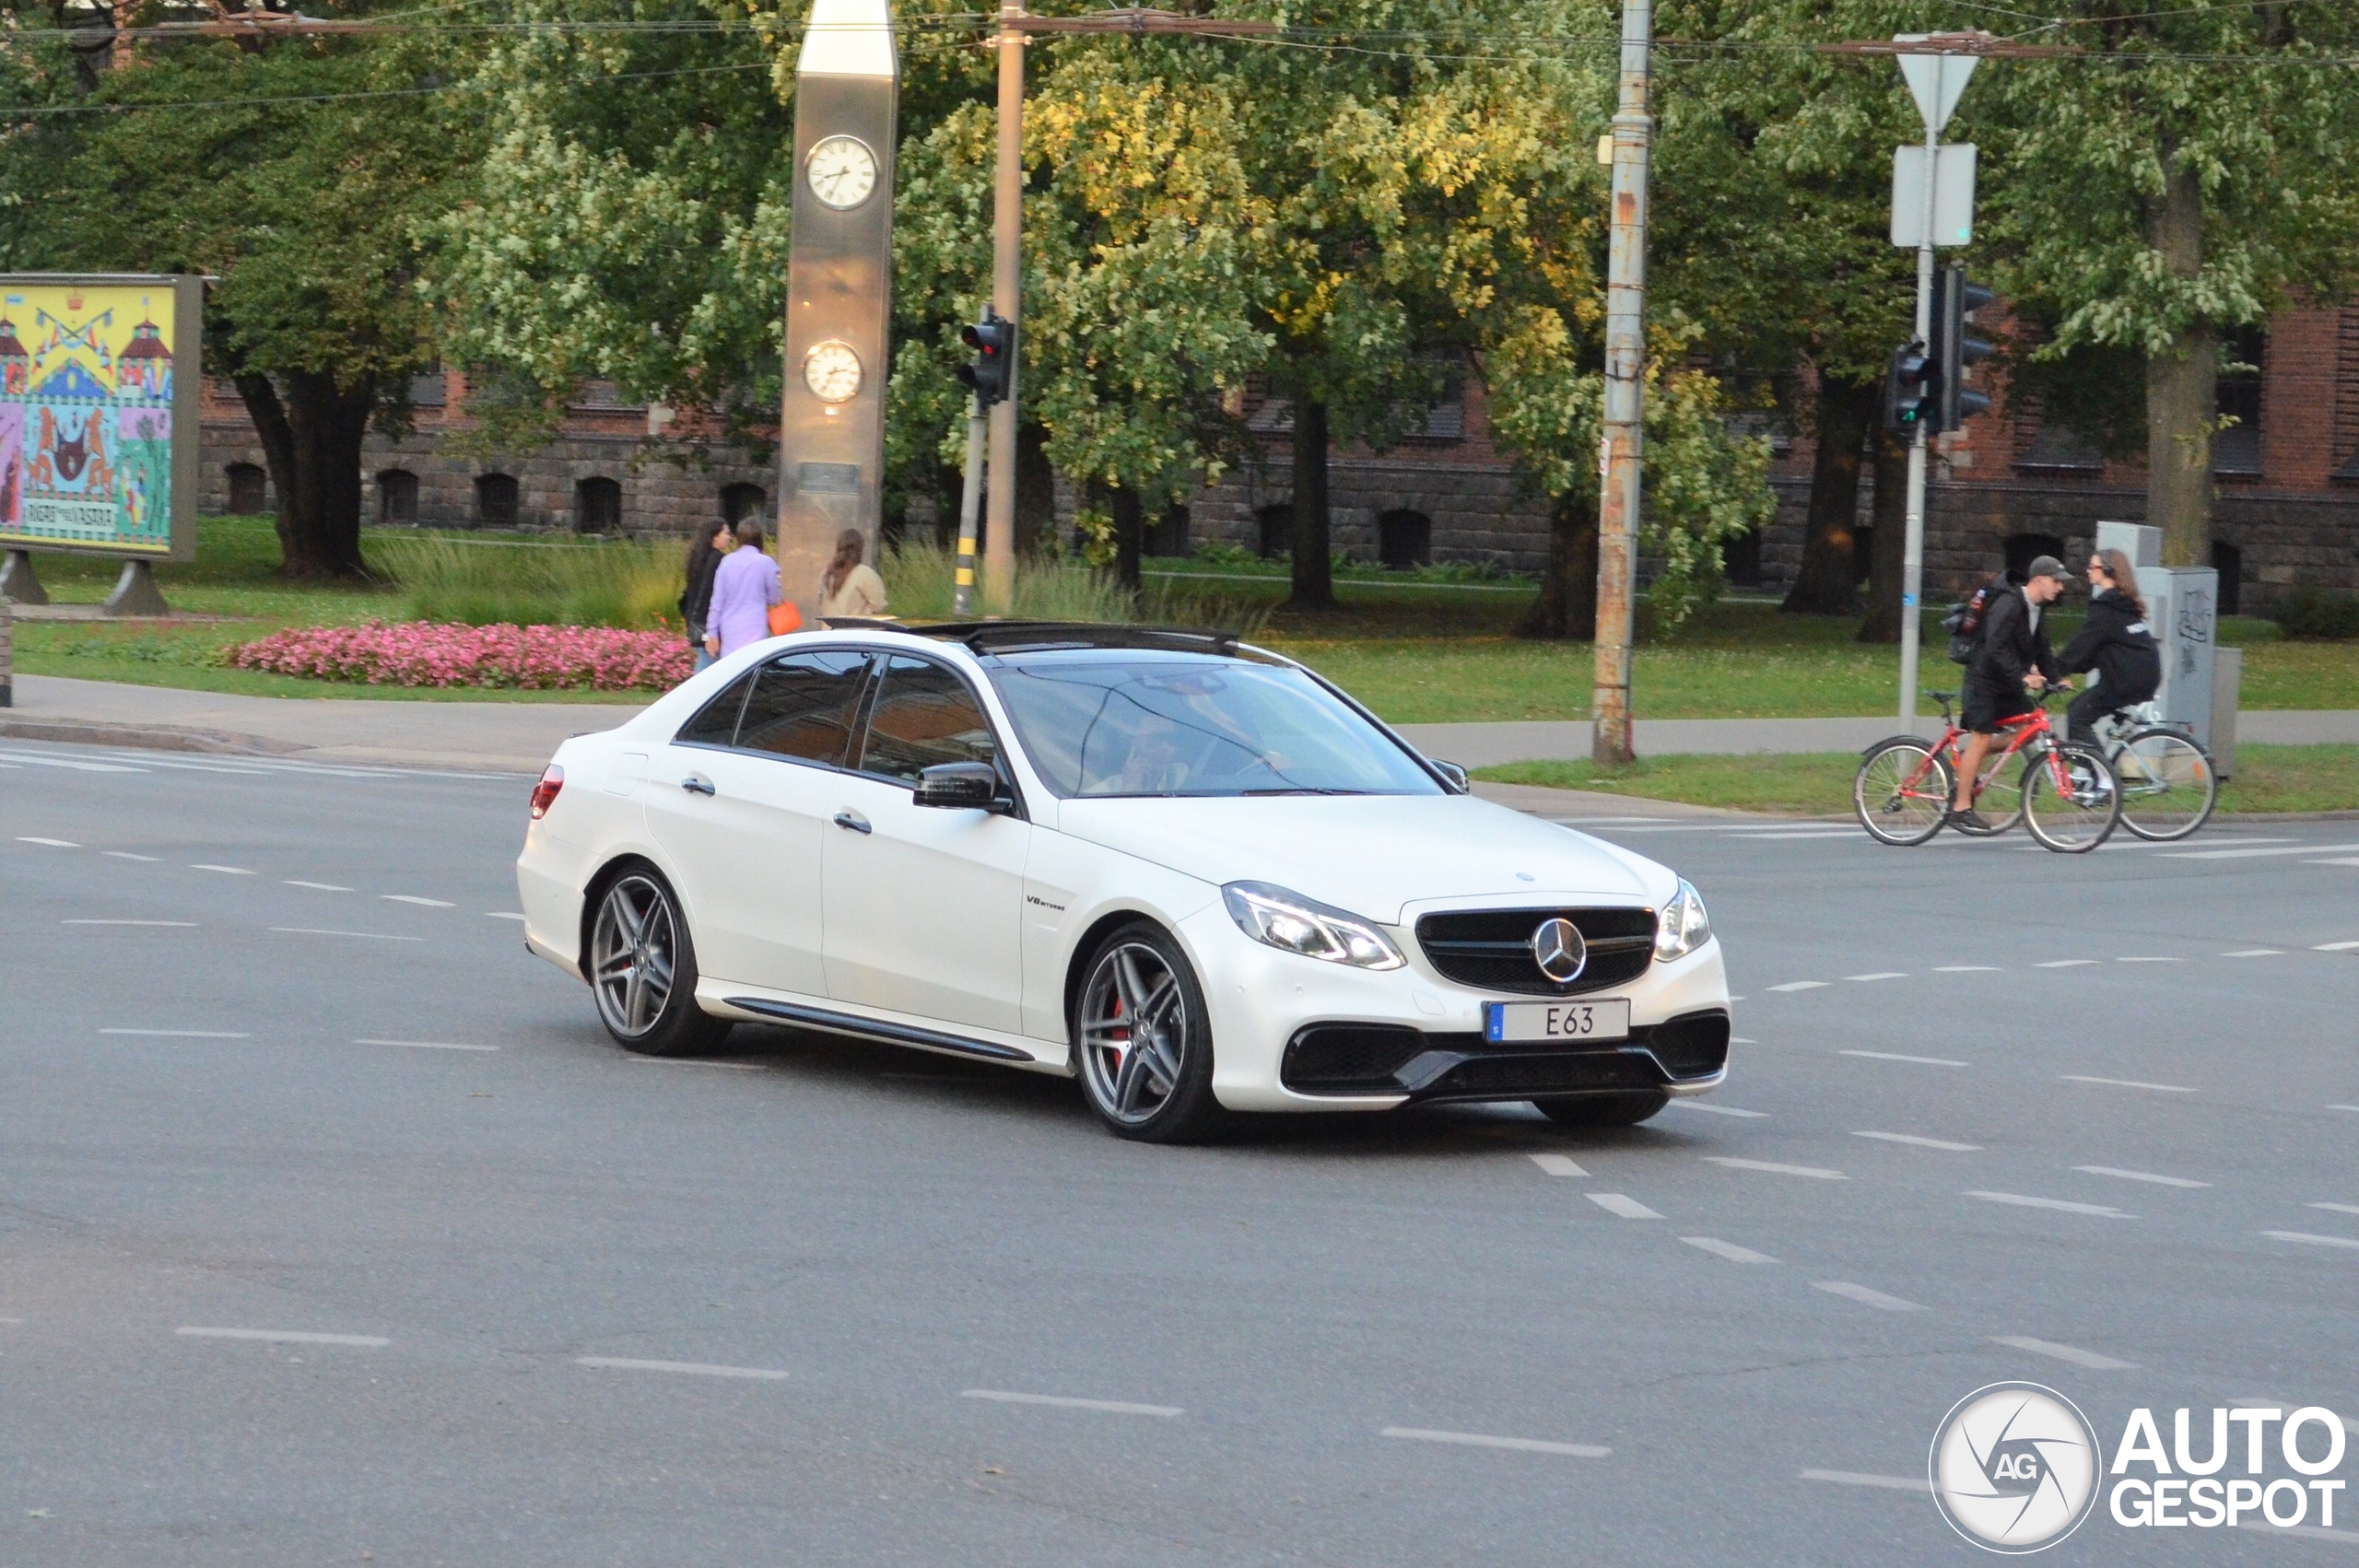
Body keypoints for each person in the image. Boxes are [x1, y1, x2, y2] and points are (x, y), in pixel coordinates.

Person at [1950, 555, 2071, 827]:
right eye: (2056, 582)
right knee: (1981, 738)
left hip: (2006, 682)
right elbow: (1994, 646)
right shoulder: (2009, 603)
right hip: (1984, 680)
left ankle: (1970, 760)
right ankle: (1960, 807)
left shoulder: (2037, 608)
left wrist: (2056, 679)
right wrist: (2023, 676)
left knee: (2029, 730)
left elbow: (2042, 649)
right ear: (2038, 580)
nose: (2060, 588)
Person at [2058, 548, 2163, 741]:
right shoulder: (2125, 604)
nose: (2087, 571)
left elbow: (2080, 646)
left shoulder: (2106, 609)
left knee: (2077, 717)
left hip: (2125, 682)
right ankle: (2099, 765)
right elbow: (2096, 651)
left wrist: (2053, 670)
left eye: (2092, 567)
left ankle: (2098, 769)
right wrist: (2069, 670)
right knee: (2079, 707)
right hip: (2143, 678)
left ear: (2107, 570)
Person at [704, 519, 782, 661]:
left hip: (729, 629)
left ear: (739, 538)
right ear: (760, 538)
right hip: (755, 627)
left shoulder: (726, 562)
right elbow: (774, 598)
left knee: (731, 670)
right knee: (753, 667)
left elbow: (717, 602)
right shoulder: (766, 562)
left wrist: (712, 633)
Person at [678, 519, 734, 672]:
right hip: (707, 623)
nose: (730, 537)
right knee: (708, 665)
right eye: (726, 533)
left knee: (706, 659)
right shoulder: (719, 560)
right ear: (714, 537)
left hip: (695, 621)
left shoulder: (697, 559)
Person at [816, 527, 888, 620]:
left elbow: (821, 604)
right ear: (860, 549)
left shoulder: (826, 574)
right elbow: (879, 605)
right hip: (856, 631)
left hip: (829, 631)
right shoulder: (864, 574)